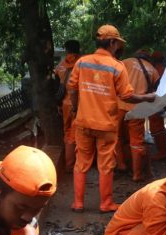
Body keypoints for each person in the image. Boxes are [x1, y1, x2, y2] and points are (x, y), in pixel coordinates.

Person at [67, 24, 157, 213]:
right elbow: (127, 96)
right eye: (118, 44)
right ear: (113, 42)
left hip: (83, 121)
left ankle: (78, 203)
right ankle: (105, 203)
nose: (119, 47)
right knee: (106, 164)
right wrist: (146, 97)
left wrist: (76, 109)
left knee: (81, 162)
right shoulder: (117, 66)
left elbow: (72, 88)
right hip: (106, 124)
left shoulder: (82, 62)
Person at [116, 49, 160, 182]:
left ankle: (121, 164)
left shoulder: (124, 63)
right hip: (138, 109)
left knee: (117, 137)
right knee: (136, 142)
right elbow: (156, 92)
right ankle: (137, 174)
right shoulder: (153, 70)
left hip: (119, 105)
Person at [54, 39, 81, 172]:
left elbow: (55, 87)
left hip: (65, 104)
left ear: (66, 50)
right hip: (80, 104)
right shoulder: (83, 64)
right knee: (78, 134)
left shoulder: (60, 66)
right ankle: (75, 164)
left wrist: (58, 105)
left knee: (68, 133)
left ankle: (69, 163)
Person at [148, 51, 166, 161]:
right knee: (159, 126)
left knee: (157, 127)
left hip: (156, 102)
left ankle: (162, 152)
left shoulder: (156, 70)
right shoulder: (164, 69)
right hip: (161, 101)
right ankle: (162, 151)